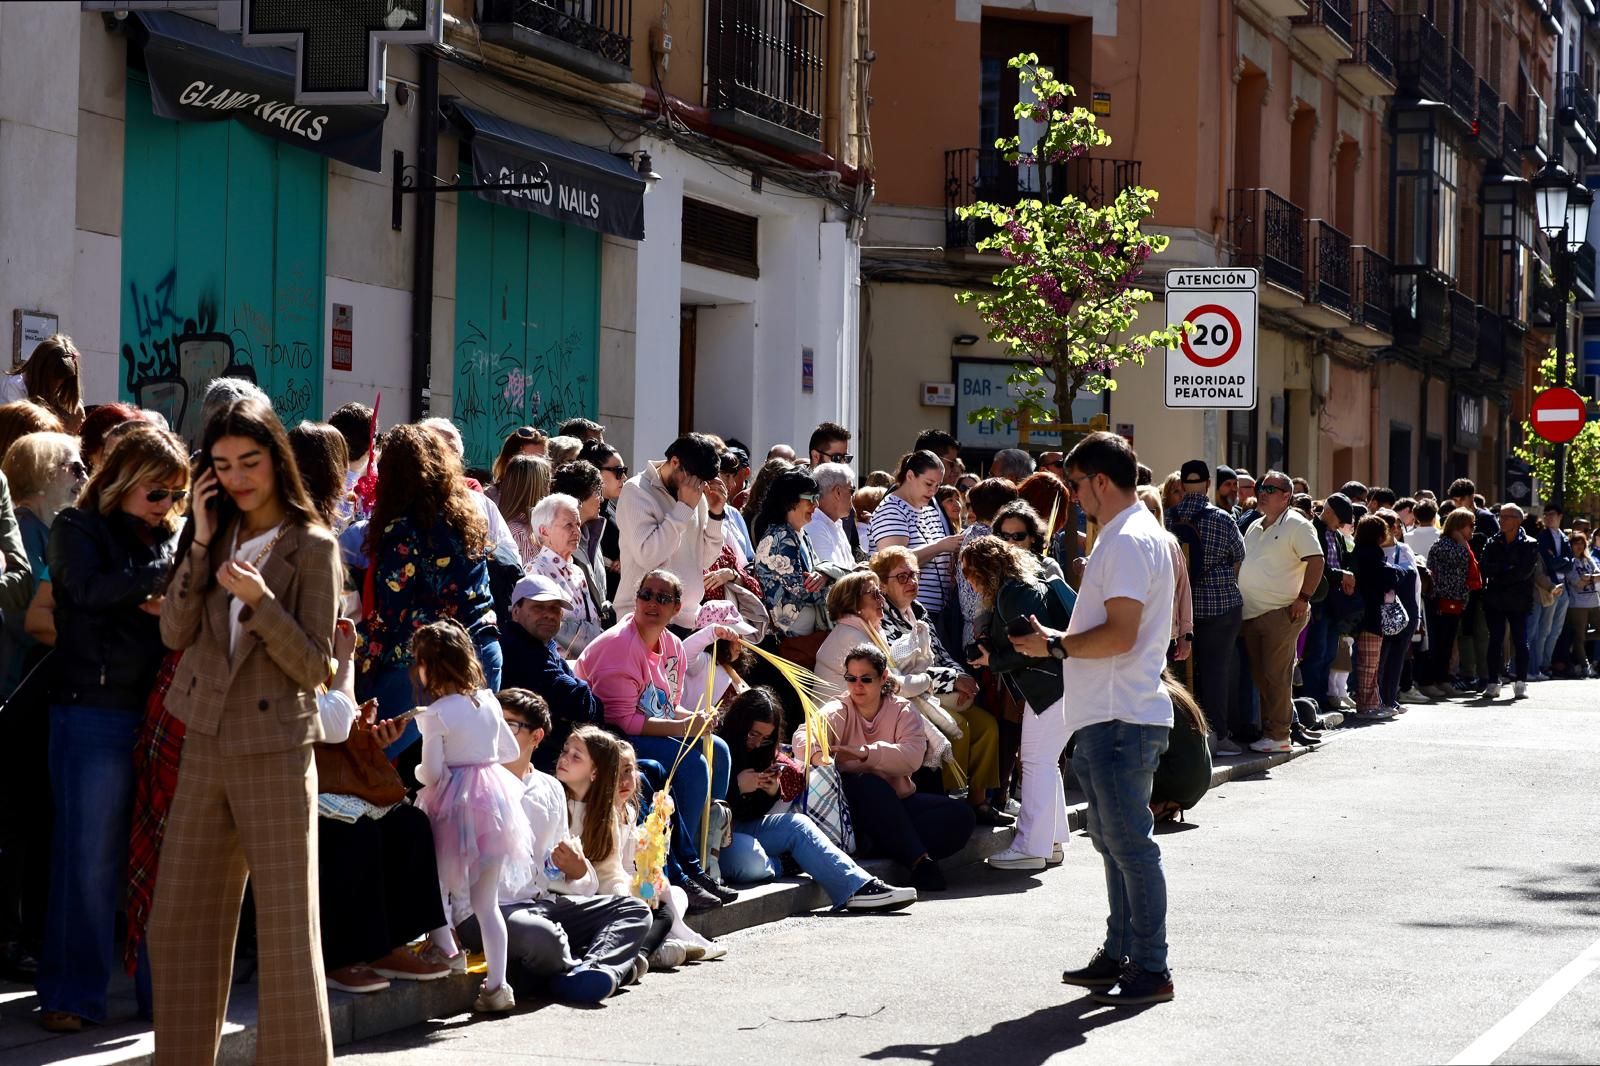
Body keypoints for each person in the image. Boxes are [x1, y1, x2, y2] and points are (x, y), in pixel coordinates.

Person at [149, 398, 340, 1062]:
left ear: (277, 459)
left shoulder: (313, 546)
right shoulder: (212, 533)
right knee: (177, 927)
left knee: (289, 940)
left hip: (277, 751)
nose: (237, 477)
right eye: (223, 464)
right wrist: (199, 542)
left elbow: (317, 664)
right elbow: (173, 631)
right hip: (203, 740)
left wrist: (262, 602)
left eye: (250, 461)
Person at [1009, 431, 1176, 1006]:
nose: (1073, 495)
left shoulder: (1127, 539)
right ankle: (1124, 953)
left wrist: (1055, 646)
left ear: (1101, 481)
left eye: (1077, 484)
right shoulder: (1137, 535)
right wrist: (1057, 642)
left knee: (1128, 845)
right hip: (1118, 711)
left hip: (1119, 714)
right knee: (1114, 841)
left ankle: (1150, 967)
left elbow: (1122, 634)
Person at [35, 425, 185, 1034]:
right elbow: (86, 590)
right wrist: (154, 583)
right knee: (89, 860)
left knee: (160, 858)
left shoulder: (165, 537)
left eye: (175, 494)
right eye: (157, 492)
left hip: (155, 711)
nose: (166, 506)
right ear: (122, 479)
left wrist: (161, 579)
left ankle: (161, 994)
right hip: (92, 707)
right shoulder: (77, 527)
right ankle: (73, 993)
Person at [452, 690, 651, 1002]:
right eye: (495, 722)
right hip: (486, 912)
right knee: (543, 938)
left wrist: (577, 871)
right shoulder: (471, 780)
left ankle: (592, 970)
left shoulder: (550, 788)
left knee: (634, 909)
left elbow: (563, 874)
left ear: (537, 736)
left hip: (542, 904)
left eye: (511, 726)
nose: (499, 733)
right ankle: (599, 967)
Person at [313, 620, 451, 994]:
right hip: (285, 783)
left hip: (323, 780)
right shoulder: (284, 653)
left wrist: (368, 733)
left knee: (409, 824)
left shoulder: (314, 657)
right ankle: (339, 955)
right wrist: (346, 661)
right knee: (355, 833)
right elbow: (332, 725)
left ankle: (389, 945)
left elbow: (337, 727)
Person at [406, 619, 531, 1014]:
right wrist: (481, 758)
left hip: (453, 804)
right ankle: (498, 985)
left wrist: (416, 776)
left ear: (430, 665)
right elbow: (510, 752)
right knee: (486, 902)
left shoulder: (436, 713)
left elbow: (432, 773)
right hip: (494, 804)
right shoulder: (490, 702)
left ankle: (446, 949)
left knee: (434, 884)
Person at [574, 568, 732, 878]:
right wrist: (683, 727)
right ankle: (680, 868)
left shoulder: (672, 646)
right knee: (693, 764)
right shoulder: (618, 647)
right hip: (612, 736)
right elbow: (623, 722)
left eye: (662, 598)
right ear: (635, 600)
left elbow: (668, 707)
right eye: (646, 595)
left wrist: (698, 719)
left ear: (676, 608)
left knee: (720, 750)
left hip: (641, 728)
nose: (652, 603)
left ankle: (705, 850)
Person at [357, 424, 499, 759]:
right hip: (483, 655)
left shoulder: (401, 531)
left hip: (424, 666)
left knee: (374, 765)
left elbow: (391, 614)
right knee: (468, 771)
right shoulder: (469, 522)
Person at [715, 688, 916, 910]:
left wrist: (769, 793)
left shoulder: (761, 751)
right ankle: (786, 864)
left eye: (765, 738)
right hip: (712, 839)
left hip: (741, 829)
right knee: (747, 859)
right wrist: (735, 787)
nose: (756, 743)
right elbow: (699, 809)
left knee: (797, 825)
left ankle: (858, 886)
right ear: (739, 724)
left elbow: (750, 813)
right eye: (753, 734)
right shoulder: (716, 742)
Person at [798, 645, 975, 891]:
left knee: (962, 816)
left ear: (883, 678)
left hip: (898, 802)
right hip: (852, 807)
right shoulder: (839, 708)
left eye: (866, 679)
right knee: (868, 784)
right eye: (851, 678)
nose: (857, 685)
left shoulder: (902, 709)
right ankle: (919, 861)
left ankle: (881, 841)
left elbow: (913, 757)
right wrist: (819, 756)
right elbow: (803, 735)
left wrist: (865, 753)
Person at [870, 546, 1008, 827]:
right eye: (903, 577)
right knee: (959, 727)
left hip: (936, 691)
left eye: (915, 575)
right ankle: (945, 803)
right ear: (883, 584)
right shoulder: (883, 618)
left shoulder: (917, 611)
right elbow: (903, 668)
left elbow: (941, 653)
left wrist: (961, 677)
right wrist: (952, 679)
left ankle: (978, 801)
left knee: (986, 724)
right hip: (911, 696)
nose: (912, 583)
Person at [960, 535, 1072, 871]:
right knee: (1045, 762)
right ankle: (1049, 840)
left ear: (984, 568)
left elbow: (1027, 647)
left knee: (1036, 763)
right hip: (1063, 683)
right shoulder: (1024, 584)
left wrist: (990, 660)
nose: (967, 579)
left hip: (1048, 687)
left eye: (968, 571)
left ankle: (1029, 847)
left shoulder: (1012, 592)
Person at [1237, 470, 1325, 754]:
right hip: (1252, 613)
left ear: (1286, 496)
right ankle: (1271, 731)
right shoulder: (1254, 525)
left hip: (1282, 612)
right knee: (1263, 676)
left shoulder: (1298, 525)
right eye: (1262, 487)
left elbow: (1316, 560)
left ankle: (1279, 734)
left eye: (1271, 489)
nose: (1263, 492)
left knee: (1276, 676)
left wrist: (1304, 597)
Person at [615, 433, 727, 630]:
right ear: (675, 462)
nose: (699, 487)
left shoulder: (695, 494)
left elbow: (706, 560)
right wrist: (682, 509)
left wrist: (716, 515)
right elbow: (648, 556)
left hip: (688, 618)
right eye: (695, 479)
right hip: (644, 618)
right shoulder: (636, 491)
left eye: (703, 482)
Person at [1167, 460, 1245, 741]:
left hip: (1179, 609)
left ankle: (1186, 736)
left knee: (1181, 673)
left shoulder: (1168, 518)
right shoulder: (1223, 519)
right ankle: (1219, 736)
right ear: (1208, 484)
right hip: (1220, 607)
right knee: (1217, 673)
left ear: (1182, 486)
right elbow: (1239, 555)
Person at [498, 574, 605, 770]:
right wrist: (585, 689)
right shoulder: (518, 649)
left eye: (555, 608)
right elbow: (581, 704)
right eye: (538, 607)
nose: (549, 614)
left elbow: (590, 705)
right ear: (516, 611)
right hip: (535, 761)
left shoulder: (543, 646)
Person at [869, 450, 965, 654]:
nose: (933, 491)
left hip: (934, 612)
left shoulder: (929, 510)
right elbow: (893, 563)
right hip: (905, 613)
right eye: (928, 484)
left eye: (937, 486)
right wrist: (941, 546)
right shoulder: (891, 510)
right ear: (910, 476)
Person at [749, 468, 831, 642]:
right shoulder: (780, 537)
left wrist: (824, 576)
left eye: (816, 498)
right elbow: (803, 590)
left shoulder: (800, 533)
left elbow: (817, 573)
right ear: (789, 501)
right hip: (789, 638)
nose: (816, 505)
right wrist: (840, 588)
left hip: (805, 632)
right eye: (810, 499)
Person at [526, 493, 605, 656]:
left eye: (577, 524)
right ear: (544, 531)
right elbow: (547, 627)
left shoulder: (577, 571)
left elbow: (592, 620)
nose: (577, 531)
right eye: (568, 525)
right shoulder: (535, 573)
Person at [1300, 492, 1356, 714]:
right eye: (1339, 519)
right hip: (1319, 602)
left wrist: (1348, 574)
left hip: (1335, 603)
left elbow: (1343, 562)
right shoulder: (1312, 530)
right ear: (1329, 512)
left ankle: (1322, 698)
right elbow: (1317, 566)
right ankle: (1312, 700)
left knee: (1330, 653)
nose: (1341, 525)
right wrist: (1341, 575)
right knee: (1317, 653)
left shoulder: (1337, 536)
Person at [1481, 504, 1540, 700]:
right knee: (1495, 639)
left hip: (1518, 599)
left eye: (1506, 517)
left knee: (1520, 640)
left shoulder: (1530, 543)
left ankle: (1520, 682)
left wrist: (1501, 572)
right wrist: (1506, 568)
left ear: (1517, 520)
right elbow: (1485, 568)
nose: (1501, 520)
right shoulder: (1492, 542)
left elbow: (1523, 572)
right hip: (1495, 599)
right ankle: (1492, 681)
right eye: (1500, 516)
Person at [1418, 510, 1476, 698]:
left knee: (1448, 644)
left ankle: (1443, 680)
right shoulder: (1445, 546)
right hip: (1442, 602)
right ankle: (1435, 680)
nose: (1473, 530)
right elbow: (1461, 559)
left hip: (1455, 601)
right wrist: (1461, 541)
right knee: (1439, 644)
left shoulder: (1458, 545)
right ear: (1458, 526)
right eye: (1470, 525)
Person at [956, 478, 1020, 646]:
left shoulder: (972, 532)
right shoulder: (990, 542)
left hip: (974, 632)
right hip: (984, 635)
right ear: (1003, 509)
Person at [1349, 514, 1401, 719]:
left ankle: (1371, 702)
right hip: (1370, 615)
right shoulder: (1374, 555)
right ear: (1379, 535)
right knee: (1369, 663)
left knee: (1363, 662)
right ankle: (1367, 705)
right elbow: (1388, 579)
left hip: (1355, 613)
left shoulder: (1357, 552)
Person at [4, 335, 85, 434]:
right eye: (55, 378)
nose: (58, 385)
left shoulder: (62, 391)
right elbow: (24, 434)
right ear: (42, 371)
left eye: (63, 380)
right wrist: (65, 428)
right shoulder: (15, 387)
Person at [579, 440, 626, 599]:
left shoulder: (610, 505)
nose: (624, 477)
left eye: (624, 470)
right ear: (595, 472)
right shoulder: (584, 511)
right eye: (618, 471)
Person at [1531, 503, 1573, 680]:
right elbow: (1550, 563)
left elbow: (1570, 564)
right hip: (1549, 588)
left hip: (1564, 588)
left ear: (1560, 516)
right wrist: (1560, 561)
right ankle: (1539, 665)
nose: (1548, 517)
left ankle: (1546, 664)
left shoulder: (1564, 536)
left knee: (1556, 630)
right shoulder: (1542, 536)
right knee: (1544, 630)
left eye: (1552, 514)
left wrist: (1559, 561)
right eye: (1546, 514)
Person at [497, 454, 553, 565]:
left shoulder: (534, 527)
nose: (549, 489)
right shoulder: (517, 533)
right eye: (547, 483)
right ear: (536, 488)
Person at [991, 499, 1066, 583]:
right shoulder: (994, 568)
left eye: (1018, 536)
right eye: (1005, 536)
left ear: (1033, 537)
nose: (1010, 542)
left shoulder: (1048, 568)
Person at [808, 462, 859, 575]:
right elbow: (833, 577)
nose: (853, 497)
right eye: (851, 490)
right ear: (838, 492)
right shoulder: (815, 526)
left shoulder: (836, 523)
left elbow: (849, 569)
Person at [1565, 531, 1599, 677]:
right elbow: (1578, 583)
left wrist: (1589, 578)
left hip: (1594, 602)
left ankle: (1578, 641)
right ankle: (1585, 666)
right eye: (1576, 543)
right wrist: (1592, 578)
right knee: (1579, 637)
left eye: (1581, 543)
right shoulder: (1569, 562)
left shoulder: (1588, 559)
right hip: (1578, 605)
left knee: (1581, 637)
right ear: (1571, 545)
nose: (1579, 546)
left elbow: (1599, 575)